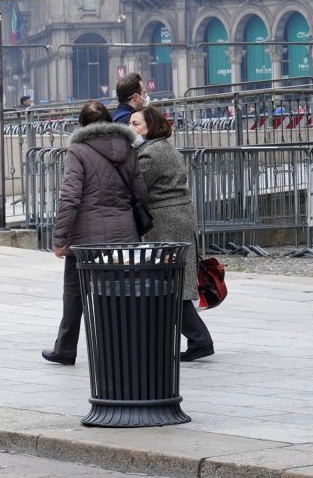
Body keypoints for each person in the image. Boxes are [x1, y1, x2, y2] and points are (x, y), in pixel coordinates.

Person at [43, 100, 148, 366]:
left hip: (86, 240)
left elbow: (70, 197)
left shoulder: (78, 150)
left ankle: (65, 349)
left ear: (81, 124)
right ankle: (124, 350)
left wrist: (59, 238)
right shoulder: (128, 148)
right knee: (122, 294)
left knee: (74, 294)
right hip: (124, 236)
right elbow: (140, 192)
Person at [130, 106, 214, 362]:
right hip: (177, 217)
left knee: (169, 282)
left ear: (151, 127)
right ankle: (195, 339)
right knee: (172, 282)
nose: (131, 128)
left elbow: (137, 188)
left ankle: (200, 339)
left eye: (136, 124)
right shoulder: (163, 148)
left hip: (167, 221)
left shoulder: (151, 154)